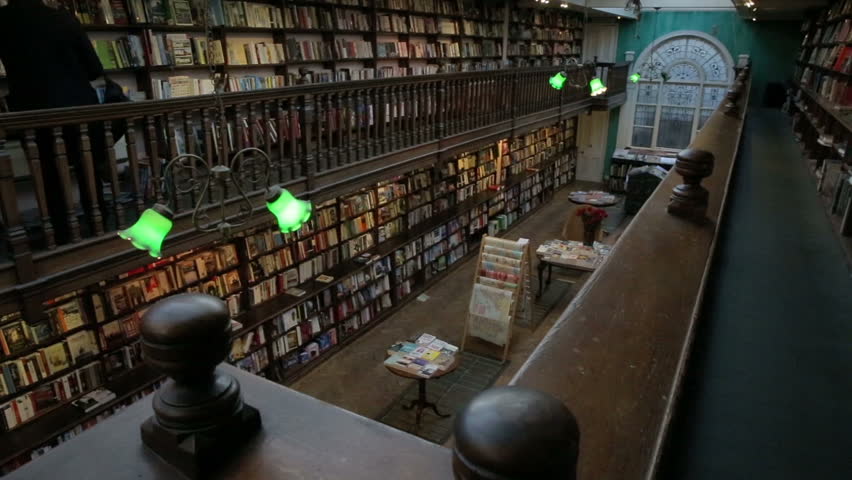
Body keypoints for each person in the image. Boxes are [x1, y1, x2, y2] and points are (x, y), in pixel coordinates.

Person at [0, 0, 107, 243]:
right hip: (79, 108)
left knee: (47, 172)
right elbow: (94, 69)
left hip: (33, 112)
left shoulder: (3, 21)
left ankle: (59, 230)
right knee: (87, 166)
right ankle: (98, 220)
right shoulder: (63, 18)